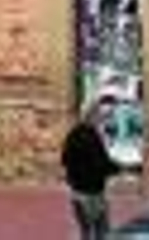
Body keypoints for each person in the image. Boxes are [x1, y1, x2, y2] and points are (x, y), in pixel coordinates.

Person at [61, 95, 122, 239]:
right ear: (92, 116)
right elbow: (100, 164)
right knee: (101, 231)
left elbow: (64, 159)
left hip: (77, 192)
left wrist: (73, 177)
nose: (100, 118)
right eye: (98, 115)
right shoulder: (91, 136)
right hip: (92, 193)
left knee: (85, 231)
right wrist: (119, 168)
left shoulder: (73, 134)